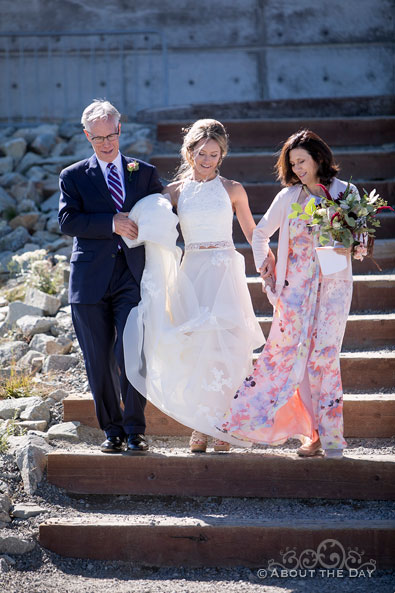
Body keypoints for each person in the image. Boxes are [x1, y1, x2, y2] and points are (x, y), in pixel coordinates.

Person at [123, 119, 274, 452]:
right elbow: (152, 217)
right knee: (196, 347)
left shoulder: (233, 189)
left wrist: (268, 264)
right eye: (201, 153)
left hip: (225, 271)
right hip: (191, 271)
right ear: (189, 152)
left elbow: (252, 232)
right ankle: (201, 425)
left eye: (214, 154)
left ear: (222, 156)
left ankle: (226, 425)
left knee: (228, 347)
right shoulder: (174, 192)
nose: (207, 160)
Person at [219, 129, 356, 458]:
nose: (297, 169)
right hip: (294, 292)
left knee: (323, 357)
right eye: (292, 163)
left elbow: (356, 242)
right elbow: (260, 234)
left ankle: (330, 437)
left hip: (333, 288)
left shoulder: (344, 192)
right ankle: (311, 433)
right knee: (283, 358)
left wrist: (354, 241)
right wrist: (265, 269)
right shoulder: (289, 197)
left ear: (319, 158)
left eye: (302, 161)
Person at [58, 99, 163, 453]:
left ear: (121, 129)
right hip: (88, 281)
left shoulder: (143, 172)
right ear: (87, 136)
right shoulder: (72, 176)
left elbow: (162, 211)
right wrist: (110, 223)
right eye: (98, 137)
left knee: (131, 352)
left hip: (132, 277)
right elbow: (67, 221)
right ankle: (112, 431)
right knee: (98, 359)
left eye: (111, 135)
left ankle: (136, 429)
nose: (106, 143)